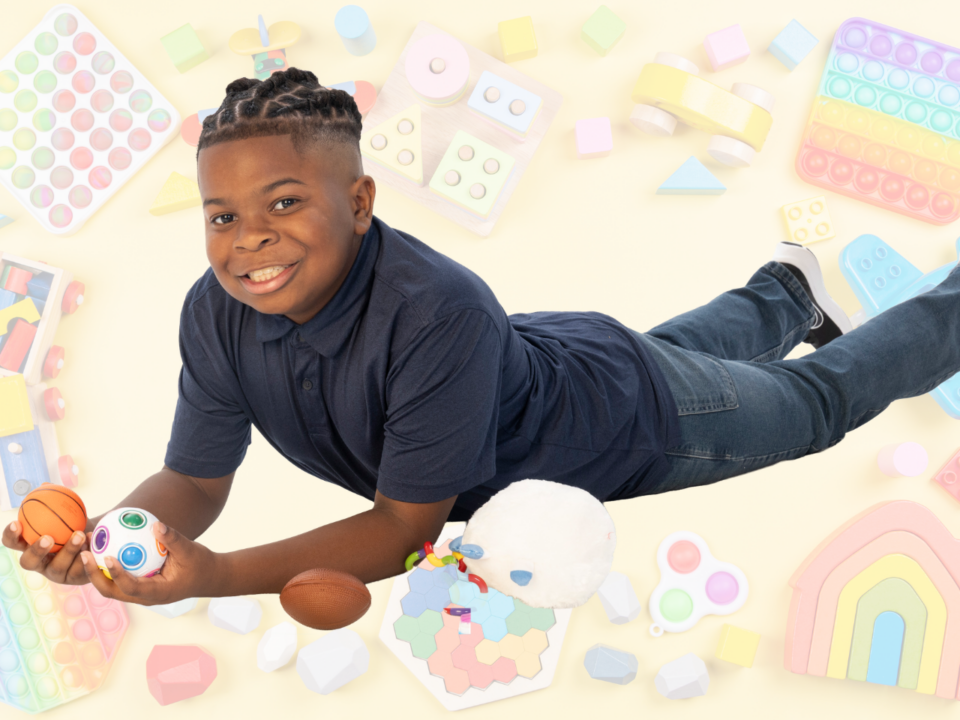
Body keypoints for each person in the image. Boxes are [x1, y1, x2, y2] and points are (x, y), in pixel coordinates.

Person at [5, 69, 959, 606]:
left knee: (812, 403)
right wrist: (117, 536)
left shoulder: (434, 311)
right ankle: (789, 288)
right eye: (221, 215)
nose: (247, 238)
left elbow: (402, 526)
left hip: (627, 421)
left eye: (284, 203)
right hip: (546, 356)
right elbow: (198, 479)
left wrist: (208, 578)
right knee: (687, 348)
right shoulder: (215, 313)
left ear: (362, 201)